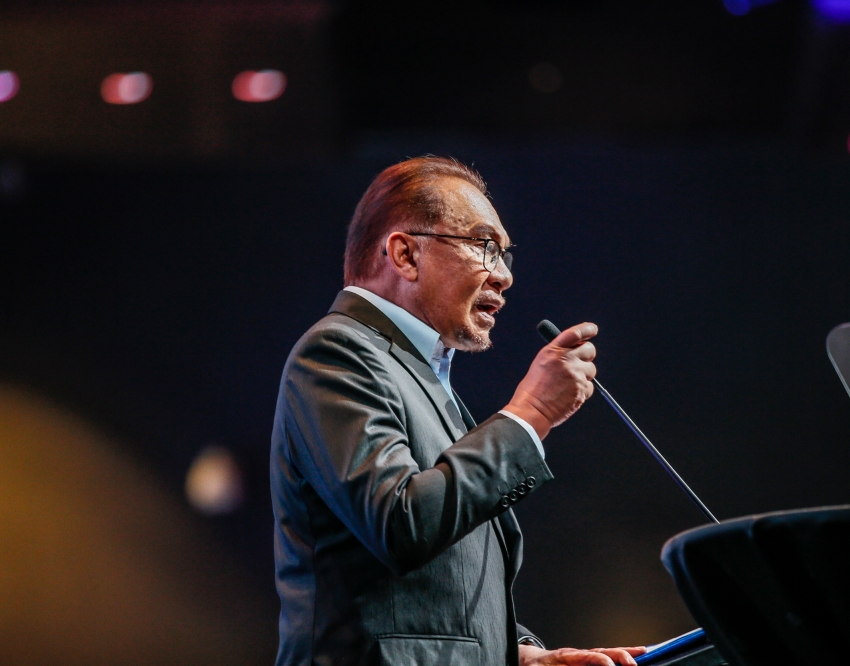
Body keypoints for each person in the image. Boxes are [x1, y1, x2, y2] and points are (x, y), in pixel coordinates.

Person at [270, 156, 645, 666]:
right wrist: (531, 411)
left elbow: (428, 590)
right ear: (404, 255)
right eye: (485, 246)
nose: (505, 276)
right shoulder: (337, 352)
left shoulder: (418, 374)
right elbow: (400, 523)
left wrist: (517, 656)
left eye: (507, 255)